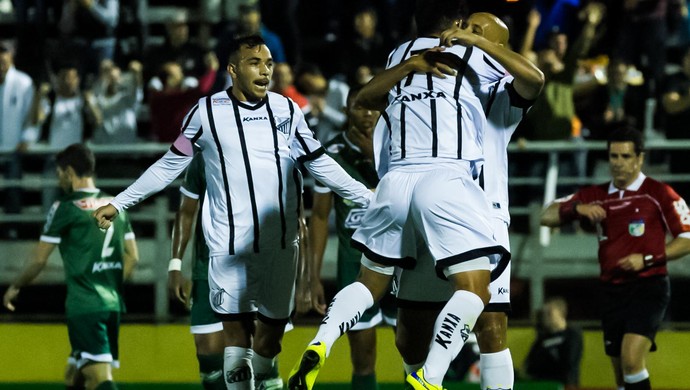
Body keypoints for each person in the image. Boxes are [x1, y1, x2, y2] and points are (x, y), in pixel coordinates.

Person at [92, 35, 373, 390]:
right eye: (255, 63)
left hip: (281, 248)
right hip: (229, 249)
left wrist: (367, 198)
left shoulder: (287, 110)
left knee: (269, 344)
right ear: (233, 70)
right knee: (236, 338)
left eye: (269, 63)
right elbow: (168, 166)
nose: (265, 70)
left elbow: (320, 165)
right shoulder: (205, 113)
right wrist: (120, 202)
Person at [288, 1, 508, 389]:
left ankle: (321, 341)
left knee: (368, 283)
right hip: (447, 181)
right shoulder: (471, 54)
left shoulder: (398, 54)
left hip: (394, 185)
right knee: (476, 291)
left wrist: (407, 67)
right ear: (457, 24)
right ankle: (431, 375)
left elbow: (364, 99)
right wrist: (476, 41)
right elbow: (534, 78)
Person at [390, 13, 544, 390]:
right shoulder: (428, 78)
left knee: (491, 326)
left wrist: (476, 43)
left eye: (477, 31)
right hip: (427, 211)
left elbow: (535, 79)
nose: (463, 34)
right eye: (465, 26)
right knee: (410, 332)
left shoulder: (502, 93)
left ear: (497, 48)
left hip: (484, 215)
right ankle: (423, 380)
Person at [541, 127, 690, 390]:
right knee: (621, 372)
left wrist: (646, 259)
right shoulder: (595, 194)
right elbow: (546, 215)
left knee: (632, 359)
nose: (618, 163)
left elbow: (687, 239)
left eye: (625, 156)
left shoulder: (658, 193)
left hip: (649, 285)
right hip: (611, 289)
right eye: (613, 157)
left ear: (639, 158)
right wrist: (577, 208)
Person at [168, 153, 313, 390]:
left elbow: (298, 222)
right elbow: (185, 212)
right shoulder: (205, 155)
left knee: (261, 357)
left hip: (264, 269)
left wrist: (304, 282)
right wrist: (175, 264)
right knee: (210, 360)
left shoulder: (279, 156)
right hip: (211, 266)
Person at [2, 143, 139, 390]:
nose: (59, 180)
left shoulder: (65, 208)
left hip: (85, 305)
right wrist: (111, 286)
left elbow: (38, 259)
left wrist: (15, 285)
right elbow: (133, 257)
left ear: (68, 172)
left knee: (100, 378)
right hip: (111, 302)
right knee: (73, 375)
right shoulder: (116, 204)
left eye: (59, 174)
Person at [308, 86, 394, 390]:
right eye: (359, 107)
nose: (368, 114)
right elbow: (318, 217)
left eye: (374, 106)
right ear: (346, 110)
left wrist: (375, 157)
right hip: (356, 266)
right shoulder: (330, 154)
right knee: (363, 357)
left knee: (414, 350)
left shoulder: (401, 147)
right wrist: (313, 275)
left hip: (402, 263)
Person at [0, 43, 36, 233]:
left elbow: (32, 116)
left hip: (14, 148)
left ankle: (12, 230)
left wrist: (27, 137)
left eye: (3, 58)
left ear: (11, 57)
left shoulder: (24, 82)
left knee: (13, 190)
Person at [523, 296, 583, 390]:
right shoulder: (543, 337)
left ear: (561, 313)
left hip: (564, 384)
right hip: (543, 384)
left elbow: (570, 363)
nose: (545, 317)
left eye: (549, 313)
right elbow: (530, 364)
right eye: (544, 314)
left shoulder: (572, 335)